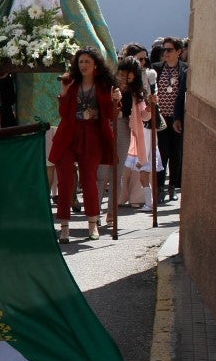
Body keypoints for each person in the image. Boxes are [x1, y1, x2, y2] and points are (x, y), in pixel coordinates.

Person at [49, 48, 117, 242]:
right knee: (65, 180)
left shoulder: (104, 85)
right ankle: (64, 227)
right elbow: (63, 113)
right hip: (68, 135)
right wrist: (63, 92)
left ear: (95, 63)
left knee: (89, 179)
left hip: (92, 136)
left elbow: (112, 113)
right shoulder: (72, 82)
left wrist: (116, 101)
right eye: (80, 62)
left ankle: (92, 224)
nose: (83, 65)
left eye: (87, 61)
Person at [115, 56, 159, 211]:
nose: (127, 77)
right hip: (117, 126)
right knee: (118, 167)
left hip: (133, 131)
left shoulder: (136, 92)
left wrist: (150, 108)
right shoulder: (113, 88)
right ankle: (117, 200)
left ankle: (141, 199)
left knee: (132, 168)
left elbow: (144, 116)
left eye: (131, 74)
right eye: (125, 73)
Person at [152, 36, 188, 203]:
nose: (165, 53)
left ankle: (172, 186)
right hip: (160, 119)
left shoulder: (185, 70)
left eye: (169, 50)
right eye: (164, 50)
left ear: (178, 52)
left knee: (176, 153)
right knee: (162, 153)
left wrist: (179, 117)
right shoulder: (156, 69)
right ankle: (159, 187)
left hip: (177, 119)